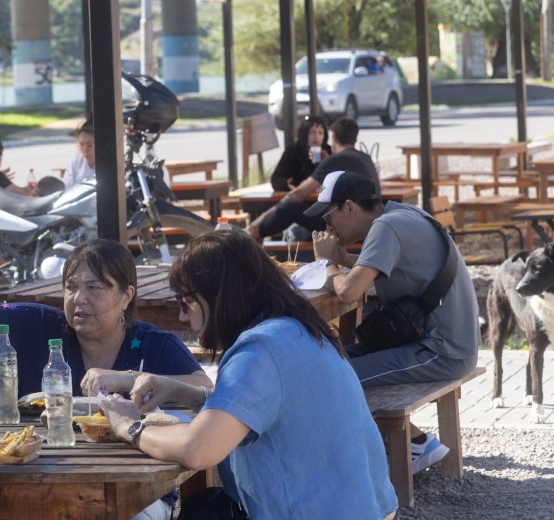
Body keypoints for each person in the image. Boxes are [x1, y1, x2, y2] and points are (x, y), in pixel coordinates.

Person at [98, 230, 398, 520]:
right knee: (203, 507)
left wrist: (128, 427)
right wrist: (177, 389)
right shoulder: (297, 328)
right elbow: (260, 409)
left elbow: (198, 449)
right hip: (370, 507)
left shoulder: (259, 349)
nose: (181, 316)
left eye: (184, 302)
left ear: (218, 295)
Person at [0, 238, 212, 520]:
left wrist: (129, 379)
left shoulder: (153, 344)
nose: (79, 298)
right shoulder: (41, 327)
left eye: (94, 288)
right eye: (71, 287)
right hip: (43, 482)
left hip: (138, 491)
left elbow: (205, 388)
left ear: (126, 296)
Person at [306, 170, 480, 474]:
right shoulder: (400, 215)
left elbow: (349, 291)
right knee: (332, 360)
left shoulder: (386, 227)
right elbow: (378, 267)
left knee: (337, 378)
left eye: (328, 216)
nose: (327, 225)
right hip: (442, 342)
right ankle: (415, 441)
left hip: (443, 352)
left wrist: (327, 263)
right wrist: (344, 260)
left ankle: (415, 445)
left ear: (349, 207)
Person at [248, 117, 379, 241]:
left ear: (333, 137)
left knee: (289, 208)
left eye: (320, 132)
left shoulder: (336, 159)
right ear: (354, 140)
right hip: (371, 224)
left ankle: (254, 234)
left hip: (349, 226)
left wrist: (261, 219)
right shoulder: (365, 158)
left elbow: (296, 194)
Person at [269, 115, 331, 192]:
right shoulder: (292, 151)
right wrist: (286, 184)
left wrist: (328, 161)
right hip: (298, 197)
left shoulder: (329, 151)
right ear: (304, 134)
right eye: (312, 132)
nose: (316, 136)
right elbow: (276, 179)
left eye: (320, 133)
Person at [63, 117, 95, 189]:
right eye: (81, 144)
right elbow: (66, 187)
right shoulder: (77, 162)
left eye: (90, 145)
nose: (85, 149)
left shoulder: (109, 166)